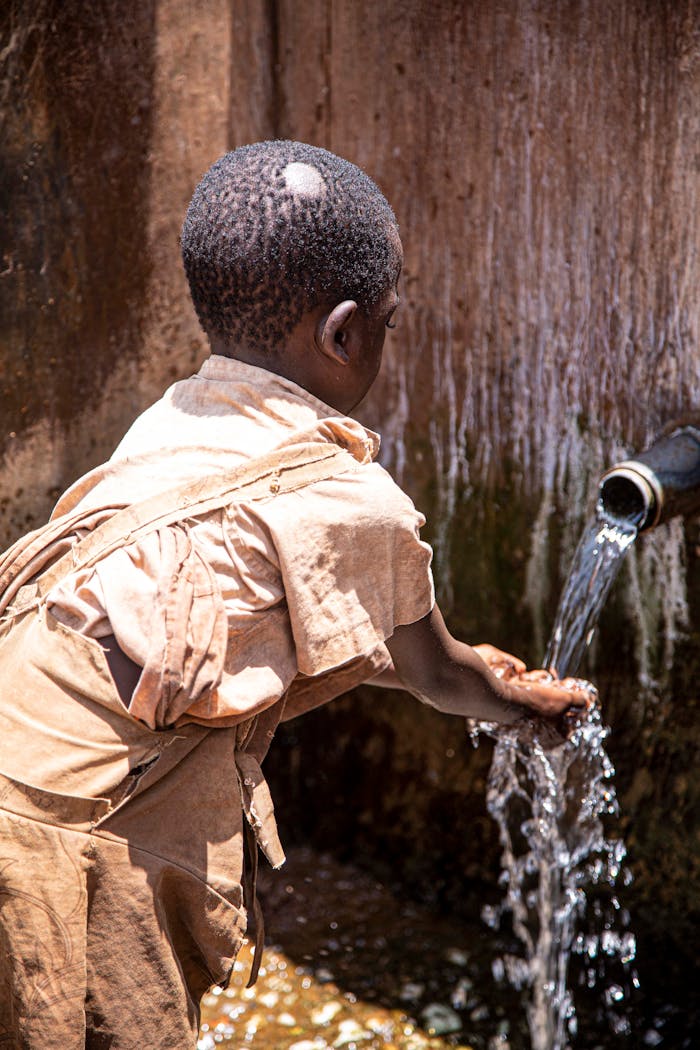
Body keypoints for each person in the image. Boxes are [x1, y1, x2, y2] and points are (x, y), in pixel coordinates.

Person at [0, 140, 590, 1049]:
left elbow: (251, 626)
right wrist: (513, 700)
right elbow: (442, 676)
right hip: (55, 852)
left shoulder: (174, 422)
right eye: (391, 321)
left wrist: (437, 663)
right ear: (346, 332)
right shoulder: (354, 499)